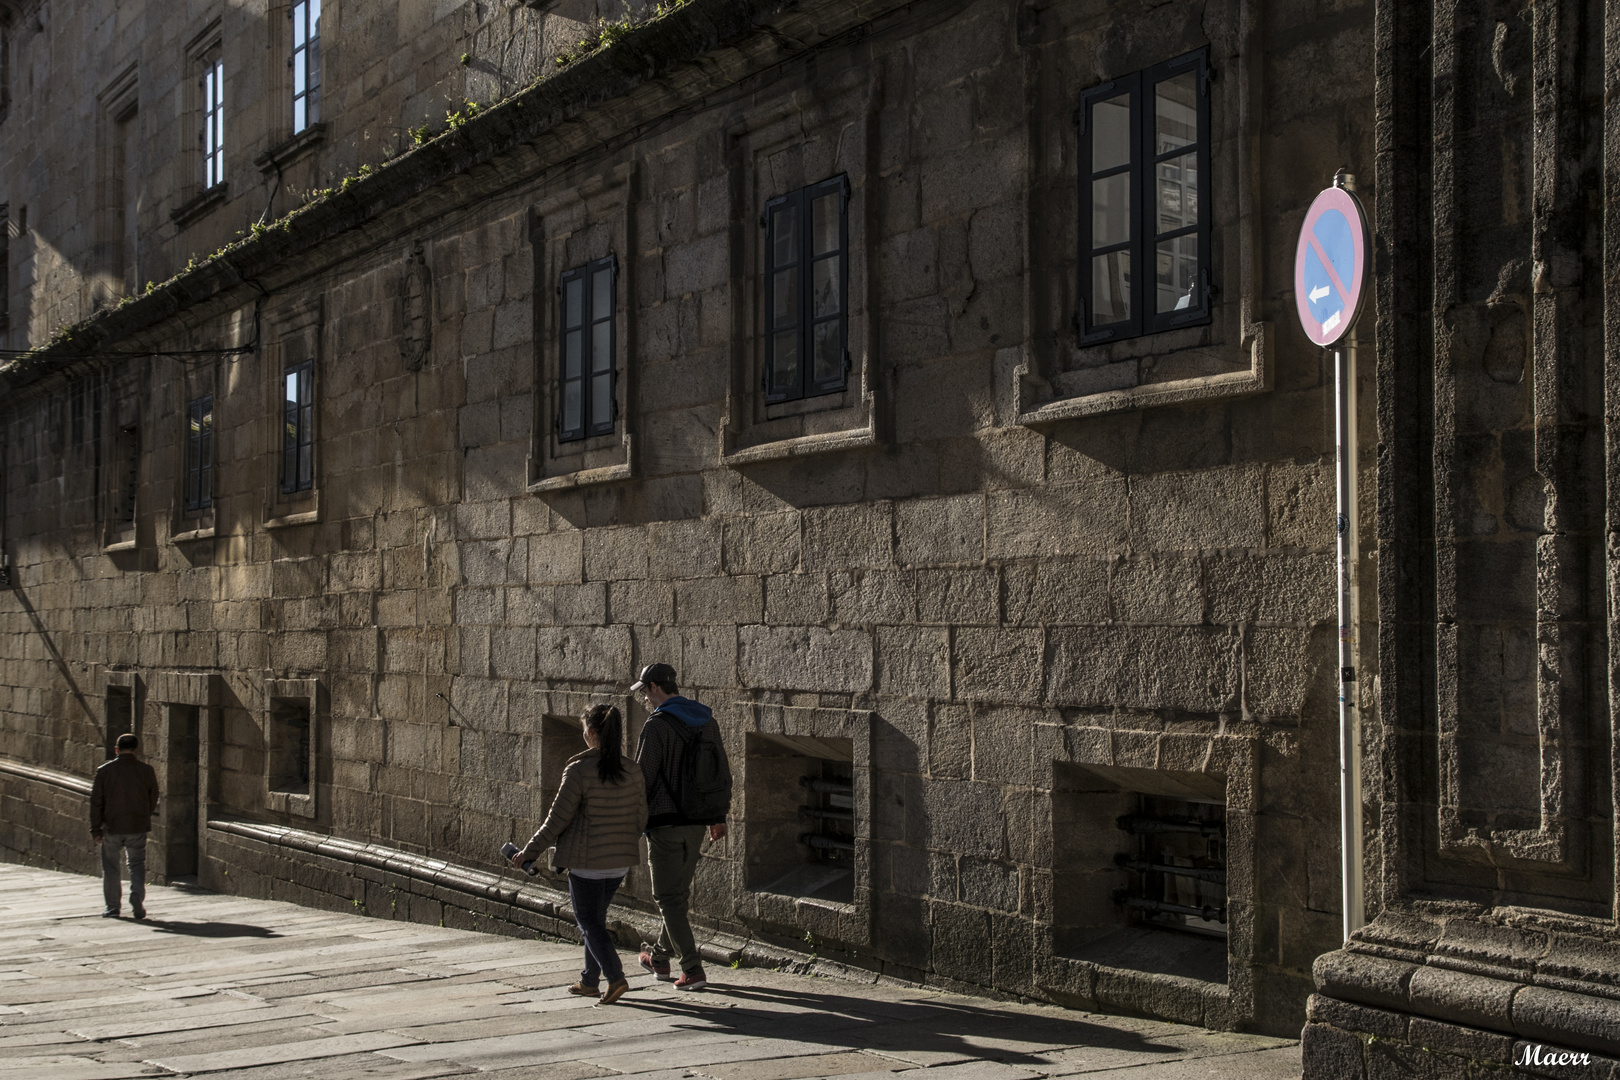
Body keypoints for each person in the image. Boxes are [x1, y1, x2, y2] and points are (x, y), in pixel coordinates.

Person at [511, 703, 646, 1005]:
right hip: (619, 863)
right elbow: (640, 819)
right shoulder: (633, 770)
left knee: (588, 921)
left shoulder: (579, 770)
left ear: (592, 732)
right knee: (595, 919)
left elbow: (557, 820)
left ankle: (615, 977)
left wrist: (528, 852)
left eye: (584, 728)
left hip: (587, 864)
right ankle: (589, 980)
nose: (583, 734)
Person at [631, 662, 732, 992]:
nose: (645, 699)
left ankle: (692, 969)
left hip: (664, 824)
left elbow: (641, 779)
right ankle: (659, 958)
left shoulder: (656, 726)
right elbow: (721, 774)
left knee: (667, 897)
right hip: (698, 822)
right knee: (677, 896)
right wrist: (719, 816)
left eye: (645, 691)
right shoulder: (707, 721)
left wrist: (630, 820)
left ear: (656, 687)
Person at [89, 733, 160, 919]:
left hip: (112, 826)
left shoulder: (104, 771)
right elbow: (153, 797)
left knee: (111, 866)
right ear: (137, 750)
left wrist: (96, 828)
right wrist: (145, 815)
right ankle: (136, 896)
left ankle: (113, 907)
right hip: (137, 825)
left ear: (116, 749)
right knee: (136, 864)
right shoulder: (146, 770)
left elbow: (96, 802)